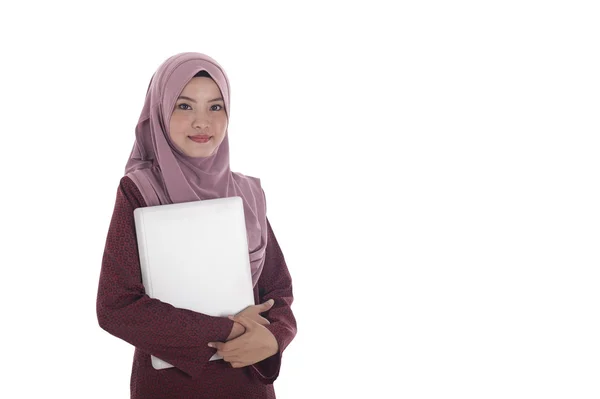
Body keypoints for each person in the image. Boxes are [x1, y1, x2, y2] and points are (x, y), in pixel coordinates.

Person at [96, 52, 297, 398]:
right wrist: (227, 330)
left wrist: (273, 338)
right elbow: (116, 306)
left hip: (245, 382)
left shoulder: (247, 193)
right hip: (171, 386)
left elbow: (278, 293)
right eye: (185, 106)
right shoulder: (140, 191)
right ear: (159, 112)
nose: (202, 122)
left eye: (215, 107)